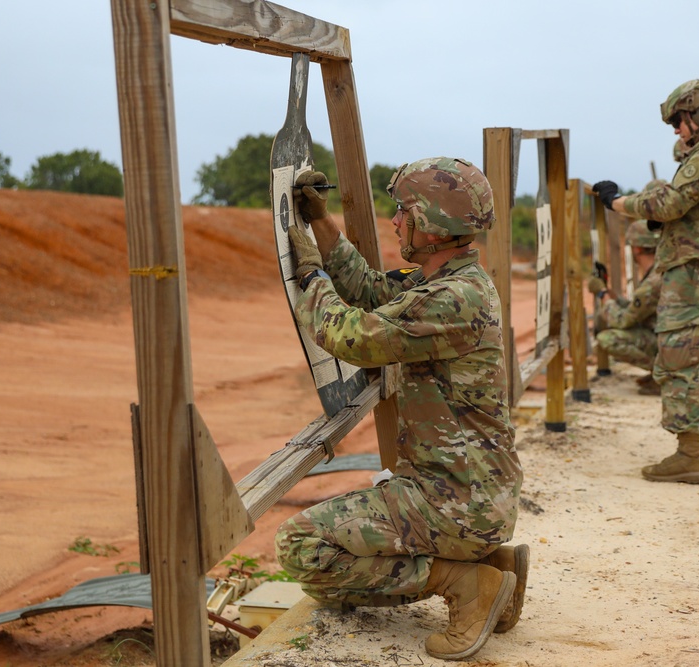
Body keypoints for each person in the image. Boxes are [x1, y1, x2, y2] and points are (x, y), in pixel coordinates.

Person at [274, 157, 527, 661]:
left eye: (404, 212)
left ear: (432, 225)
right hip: (474, 495)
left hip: (453, 502)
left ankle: (467, 582)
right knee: (332, 585)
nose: (395, 221)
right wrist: (321, 223)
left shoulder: (451, 300)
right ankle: (493, 564)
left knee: (302, 547)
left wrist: (309, 274)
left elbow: (350, 335)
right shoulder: (454, 284)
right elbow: (370, 291)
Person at [592, 78, 699, 484]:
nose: (677, 130)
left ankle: (689, 454)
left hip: (694, 270)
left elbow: (670, 202)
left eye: (678, 121)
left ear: (697, 113)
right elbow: (687, 210)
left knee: (677, 359)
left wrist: (616, 201)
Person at [588, 221, 663, 395]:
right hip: (667, 339)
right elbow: (637, 309)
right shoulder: (658, 273)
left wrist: (602, 295)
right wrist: (612, 296)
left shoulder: (653, 282)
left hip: (666, 343)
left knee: (608, 339)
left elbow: (622, 321)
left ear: (636, 248)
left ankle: (664, 375)